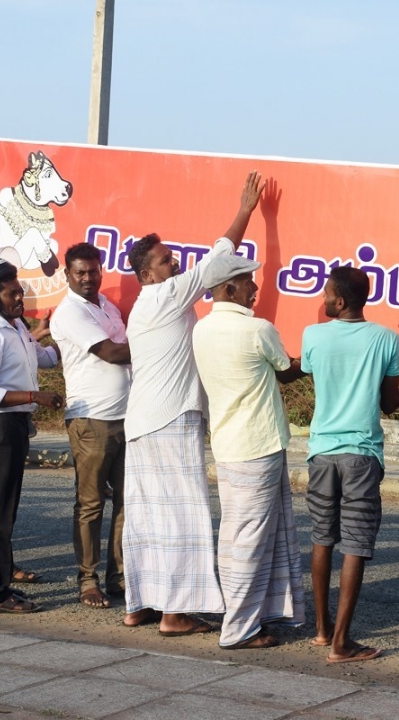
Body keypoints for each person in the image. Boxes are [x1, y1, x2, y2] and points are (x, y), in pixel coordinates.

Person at [121, 171, 265, 635]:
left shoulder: (157, 300)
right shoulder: (162, 296)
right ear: (147, 275)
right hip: (170, 419)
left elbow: (210, 262)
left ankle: (139, 603)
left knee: (147, 517)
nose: (174, 264)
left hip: (146, 419)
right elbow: (217, 262)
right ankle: (173, 614)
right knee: (183, 514)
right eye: (165, 261)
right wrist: (246, 210)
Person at [301, 266, 399, 663]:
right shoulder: (386, 339)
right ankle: (342, 643)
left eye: (326, 293)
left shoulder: (313, 336)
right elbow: (388, 404)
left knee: (321, 539)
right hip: (362, 455)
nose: (323, 299)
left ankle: (323, 631)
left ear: (340, 301)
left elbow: (310, 372)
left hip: (321, 452)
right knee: (356, 546)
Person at [192, 256, 306, 650]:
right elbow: (285, 370)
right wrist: (311, 359)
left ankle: (257, 615)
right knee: (251, 539)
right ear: (227, 289)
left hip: (229, 444)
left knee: (240, 535)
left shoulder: (202, 329)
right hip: (258, 445)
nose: (254, 289)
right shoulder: (258, 329)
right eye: (247, 283)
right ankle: (239, 628)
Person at [0, 257, 61, 614]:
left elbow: (46, 358)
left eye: (19, 290)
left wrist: (72, 336)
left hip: (14, 425)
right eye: (10, 293)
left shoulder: (15, 326)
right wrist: (35, 397)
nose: (19, 297)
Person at [50, 242, 131, 610]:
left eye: (93, 271)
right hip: (91, 420)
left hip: (127, 416)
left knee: (128, 502)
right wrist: (159, 342)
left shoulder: (107, 306)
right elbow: (112, 353)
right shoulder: (69, 313)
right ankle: (88, 580)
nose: (87, 278)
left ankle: (120, 577)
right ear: (67, 275)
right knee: (91, 504)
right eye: (80, 272)